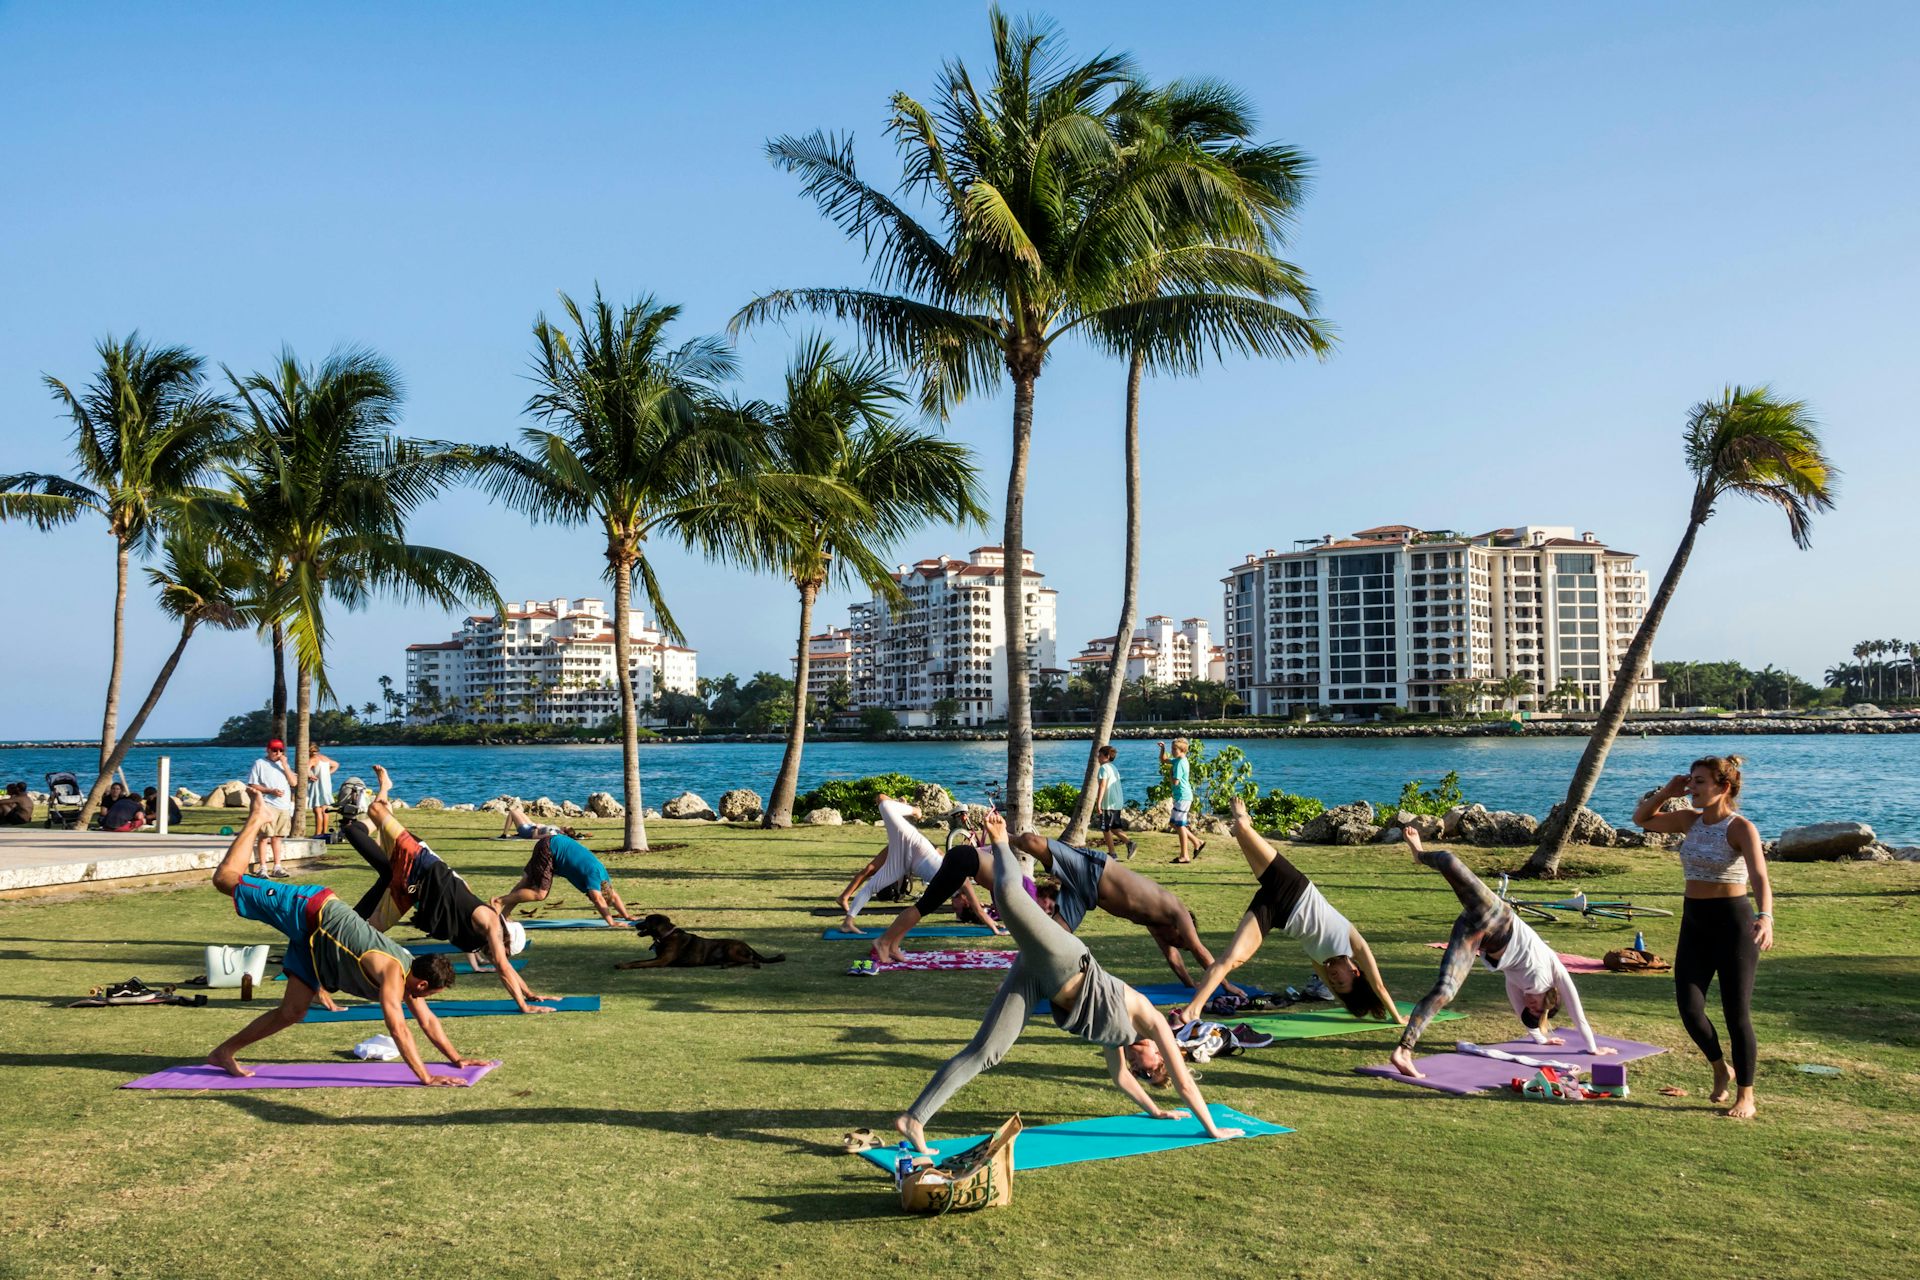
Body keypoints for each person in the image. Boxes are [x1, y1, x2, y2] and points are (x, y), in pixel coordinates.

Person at [895, 812, 1244, 1157]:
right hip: (1067, 959)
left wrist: (1155, 1111)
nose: (1141, 1070)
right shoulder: (1151, 1021)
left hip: (1037, 978)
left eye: (1144, 1075)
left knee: (986, 1052)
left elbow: (1120, 1078)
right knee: (1011, 897)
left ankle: (914, 1118)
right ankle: (1001, 843)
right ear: (1160, 1053)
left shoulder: (1117, 1039)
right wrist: (1212, 1130)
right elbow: (1184, 1083)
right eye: (1151, 1070)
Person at [206, 794, 485, 1084]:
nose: (422, 1000)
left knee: (292, 1011)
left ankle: (223, 1052)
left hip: (314, 943)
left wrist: (456, 1058)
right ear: (422, 984)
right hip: (310, 908)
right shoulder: (394, 973)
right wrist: (425, 1076)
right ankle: (257, 818)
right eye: (428, 995)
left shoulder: (410, 973)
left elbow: (427, 1021)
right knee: (226, 880)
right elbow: (398, 1028)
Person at [1387, 827, 1614, 1078]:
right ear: (1550, 1000)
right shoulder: (1555, 972)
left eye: (1531, 1011)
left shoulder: (1517, 985)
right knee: (1448, 860)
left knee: (1445, 990)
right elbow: (1577, 1012)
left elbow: (1522, 1011)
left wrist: (1539, 1038)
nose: (1530, 1006)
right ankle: (1419, 854)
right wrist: (1592, 1049)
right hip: (1497, 916)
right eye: (1537, 1008)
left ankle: (1403, 1051)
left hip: (1475, 933)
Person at [1174, 795, 1400, 1028]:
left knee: (1233, 959)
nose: (1334, 981)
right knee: (1241, 829)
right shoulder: (1354, 944)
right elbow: (1379, 987)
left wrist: (1349, 1002)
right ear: (1356, 974)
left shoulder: (1320, 963)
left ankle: (1192, 1011)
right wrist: (1397, 1017)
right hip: (1291, 886)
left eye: (1335, 986)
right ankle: (1243, 818)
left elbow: (1344, 996)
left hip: (1275, 912)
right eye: (1341, 983)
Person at [342, 766, 553, 1014]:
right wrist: (523, 1004)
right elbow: (504, 968)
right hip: (418, 863)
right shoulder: (491, 923)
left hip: (409, 891)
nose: (501, 955)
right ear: (505, 939)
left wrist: (528, 993)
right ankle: (386, 787)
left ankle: (332, 969)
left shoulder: (477, 939)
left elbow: (503, 965)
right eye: (505, 951)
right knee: (376, 809)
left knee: (368, 933)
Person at [1633, 755, 1774, 1119]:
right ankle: (1718, 1067)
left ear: (1723, 787)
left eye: (1699, 782)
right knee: (1690, 1008)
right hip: (1694, 922)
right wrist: (1669, 790)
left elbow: (1759, 877)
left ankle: (1746, 1095)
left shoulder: (1740, 827)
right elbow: (1642, 820)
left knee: (1736, 1014)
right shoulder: (1688, 821)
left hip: (1734, 925)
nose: (1692, 788)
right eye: (1691, 780)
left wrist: (1766, 917)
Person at [834, 793, 947, 933]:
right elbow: (882, 800)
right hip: (903, 852)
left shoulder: (955, 883)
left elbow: (883, 801)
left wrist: (911, 809)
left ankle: (847, 919)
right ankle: (847, 921)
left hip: (906, 859)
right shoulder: (956, 881)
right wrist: (911, 809)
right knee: (871, 884)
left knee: (870, 885)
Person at [493, 828, 635, 928]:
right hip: (550, 849)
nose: (590, 899)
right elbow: (598, 899)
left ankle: (503, 916)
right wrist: (611, 922)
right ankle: (499, 901)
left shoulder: (604, 879)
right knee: (540, 893)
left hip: (551, 843)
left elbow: (613, 897)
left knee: (526, 882)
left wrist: (626, 916)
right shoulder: (594, 878)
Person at [244, 738, 297, 877]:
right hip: (268, 805)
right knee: (264, 836)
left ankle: (277, 867)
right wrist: (270, 791)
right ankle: (262, 867)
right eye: (274, 750)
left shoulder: (284, 764)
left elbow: (293, 782)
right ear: (268, 750)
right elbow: (252, 784)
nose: (277, 753)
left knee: (278, 836)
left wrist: (285, 765)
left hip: (284, 806)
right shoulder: (260, 763)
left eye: (280, 750)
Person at [1160, 738, 1205, 863]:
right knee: (1174, 824)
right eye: (1171, 749)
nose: (1172, 751)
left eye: (1174, 749)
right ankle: (1197, 842)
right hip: (1182, 797)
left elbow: (1175, 781)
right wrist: (1162, 749)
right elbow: (1163, 760)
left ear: (1182, 750)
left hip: (1183, 797)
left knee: (1179, 826)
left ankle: (1185, 856)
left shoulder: (1179, 763)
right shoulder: (1179, 760)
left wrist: (1170, 774)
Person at [1092, 744, 1137, 861]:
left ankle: (1112, 853)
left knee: (1105, 828)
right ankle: (1129, 843)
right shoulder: (1113, 768)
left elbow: (1102, 786)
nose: (1098, 757)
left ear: (1106, 756)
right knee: (1114, 828)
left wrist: (1098, 803)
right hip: (1117, 802)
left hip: (1108, 803)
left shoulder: (1103, 768)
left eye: (1100, 755)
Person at [306, 744, 339, 837]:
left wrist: (310, 776)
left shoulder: (312, 759)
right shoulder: (324, 758)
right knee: (325, 810)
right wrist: (328, 773)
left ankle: (318, 833)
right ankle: (324, 833)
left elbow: (306, 769)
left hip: (317, 786)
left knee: (317, 810)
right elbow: (336, 764)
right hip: (326, 786)